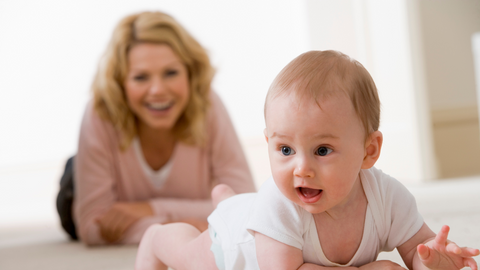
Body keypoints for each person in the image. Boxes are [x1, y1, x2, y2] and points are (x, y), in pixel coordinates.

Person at [134, 50, 480, 270]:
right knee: (187, 257)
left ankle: (230, 200)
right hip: (234, 247)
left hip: (257, 216)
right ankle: (160, 236)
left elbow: (415, 252)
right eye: (285, 150)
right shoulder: (279, 202)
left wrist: (435, 262)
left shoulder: (388, 198)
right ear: (269, 142)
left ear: (368, 151)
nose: (301, 168)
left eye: (322, 150)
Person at [71, 11, 256, 245]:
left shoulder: (207, 104)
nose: (157, 90)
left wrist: (149, 210)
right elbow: (93, 226)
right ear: (121, 83)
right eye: (141, 77)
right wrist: (183, 226)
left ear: (190, 74)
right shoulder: (100, 112)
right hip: (85, 178)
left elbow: (244, 204)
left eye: (171, 73)